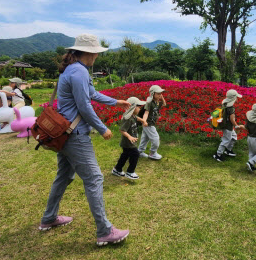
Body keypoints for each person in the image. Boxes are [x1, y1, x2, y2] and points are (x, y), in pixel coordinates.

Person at [39, 33, 131, 247]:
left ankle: (49, 218)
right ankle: (105, 231)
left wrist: (115, 102)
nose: (97, 56)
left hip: (65, 134)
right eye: (96, 52)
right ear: (88, 52)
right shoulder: (79, 71)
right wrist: (102, 128)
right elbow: (84, 105)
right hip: (76, 135)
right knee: (95, 179)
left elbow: (92, 94)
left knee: (63, 176)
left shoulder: (72, 70)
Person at [112, 97, 146, 180]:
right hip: (128, 142)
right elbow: (122, 130)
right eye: (138, 107)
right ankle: (130, 172)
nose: (140, 108)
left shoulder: (132, 115)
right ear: (133, 107)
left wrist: (142, 120)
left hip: (130, 141)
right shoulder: (127, 119)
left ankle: (117, 169)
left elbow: (136, 118)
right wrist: (129, 137)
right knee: (135, 154)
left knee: (125, 155)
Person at [213, 89, 242, 162]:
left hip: (226, 125)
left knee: (234, 137)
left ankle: (228, 150)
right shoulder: (231, 108)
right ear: (234, 98)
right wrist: (236, 126)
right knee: (226, 140)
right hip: (228, 127)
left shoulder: (225, 104)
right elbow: (232, 119)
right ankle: (218, 155)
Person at [138, 84, 166, 160]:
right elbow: (146, 113)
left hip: (149, 124)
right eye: (158, 94)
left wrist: (161, 97)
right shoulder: (149, 102)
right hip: (148, 124)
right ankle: (153, 153)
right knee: (156, 138)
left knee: (145, 138)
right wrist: (144, 121)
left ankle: (140, 152)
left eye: (161, 93)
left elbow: (164, 104)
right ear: (153, 94)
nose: (160, 95)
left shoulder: (156, 102)